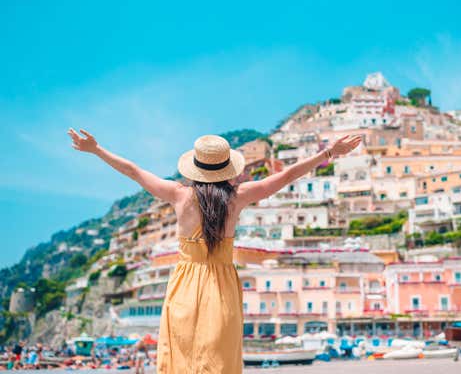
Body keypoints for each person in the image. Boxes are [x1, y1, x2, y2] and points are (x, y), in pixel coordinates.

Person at [68, 128, 361, 373]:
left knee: (181, 357)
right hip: (221, 286)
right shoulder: (238, 197)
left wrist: (97, 150)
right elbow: (284, 178)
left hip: (184, 284)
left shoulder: (178, 195)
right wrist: (328, 153)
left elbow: (134, 171)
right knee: (219, 359)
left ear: (195, 167)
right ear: (227, 168)